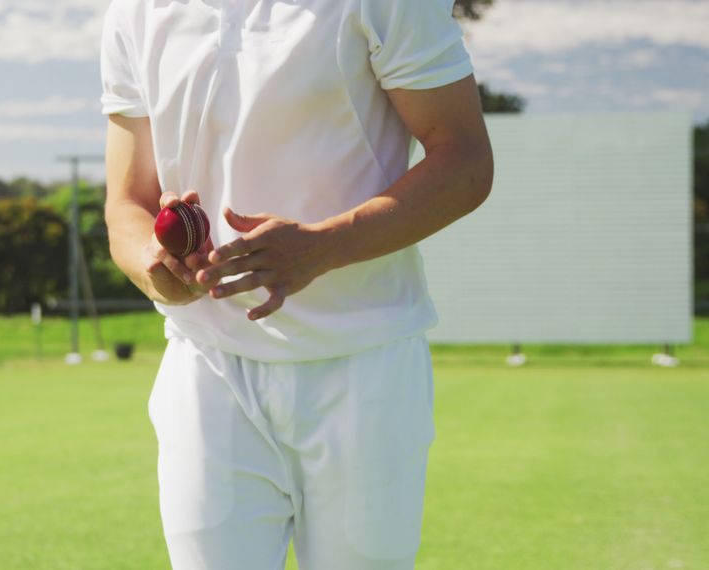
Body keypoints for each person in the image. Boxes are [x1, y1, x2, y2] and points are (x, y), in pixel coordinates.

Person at [101, 0, 493, 568]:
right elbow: (127, 202)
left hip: (363, 362)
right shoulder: (134, 11)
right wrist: (157, 267)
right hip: (206, 363)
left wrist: (323, 246)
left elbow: (466, 162)